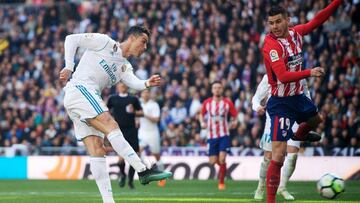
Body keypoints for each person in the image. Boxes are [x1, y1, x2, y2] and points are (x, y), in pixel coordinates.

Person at [59, 26, 172, 203]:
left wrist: (146, 83)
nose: (145, 47)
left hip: (82, 98)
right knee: (111, 125)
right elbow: (71, 39)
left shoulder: (124, 67)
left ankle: (108, 201)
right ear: (132, 38)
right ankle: (142, 170)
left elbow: (134, 83)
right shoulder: (104, 42)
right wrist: (69, 66)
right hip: (80, 89)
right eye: (143, 42)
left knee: (98, 149)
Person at [263, 1, 342, 202]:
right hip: (280, 102)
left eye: (278, 22)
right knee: (278, 155)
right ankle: (270, 200)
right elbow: (281, 75)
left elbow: (317, 19)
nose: (274, 26)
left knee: (317, 119)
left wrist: (338, 2)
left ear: (288, 21)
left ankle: (298, 135)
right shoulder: (271, 45)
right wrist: (310, 72)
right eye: (271, 23)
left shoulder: (296, 33)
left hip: (297, 96)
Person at [253, 75, 311, 200]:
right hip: (274, 119)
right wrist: (257, 107)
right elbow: (256, 98)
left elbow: (307, 95)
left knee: (293, 155)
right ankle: (261, 187)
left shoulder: (300, 76)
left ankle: (282, 187)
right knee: (268, 157)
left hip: (294, 120)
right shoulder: (269, 76)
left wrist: (308, 114)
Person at [199, 81, 238, 190]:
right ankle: (223, 169)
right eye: (215, 88)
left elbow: (235, 115)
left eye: (219, 88)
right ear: (212, 90)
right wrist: (202, 122)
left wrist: (234, 122)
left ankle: (221, 183)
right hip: (211, 136)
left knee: (222, 159)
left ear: (222, 89)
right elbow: (201, 115)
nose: (217, 89)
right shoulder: (207, 103)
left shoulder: (227, 103)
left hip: (224, 134)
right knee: (212, 161)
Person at [107, 82, 143, 190]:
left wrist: (135, 114)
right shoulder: (112, 99)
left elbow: (141, 112)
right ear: (117, 86)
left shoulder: (133, 99)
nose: (122, 86)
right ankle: (122, 174)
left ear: (127, 86)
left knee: (135, 156)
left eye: (124, 84)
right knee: (121, 159)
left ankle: (131, 181)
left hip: (132, 130)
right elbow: (105, 112)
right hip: (119, 131)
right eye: (120, 84)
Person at [137, 89, 166, 187]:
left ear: (149, 94)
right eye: (143, 92)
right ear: (141, 94)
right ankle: (146, 174)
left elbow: (156, 119)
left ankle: (162, 177)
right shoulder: (138, 104)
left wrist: (144, 115)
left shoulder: (154, 105)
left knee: (156, 155)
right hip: (142, 132)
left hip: (152, 133)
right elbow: (136, 117)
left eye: (147, 92)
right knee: (138, 153)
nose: (145, 94)